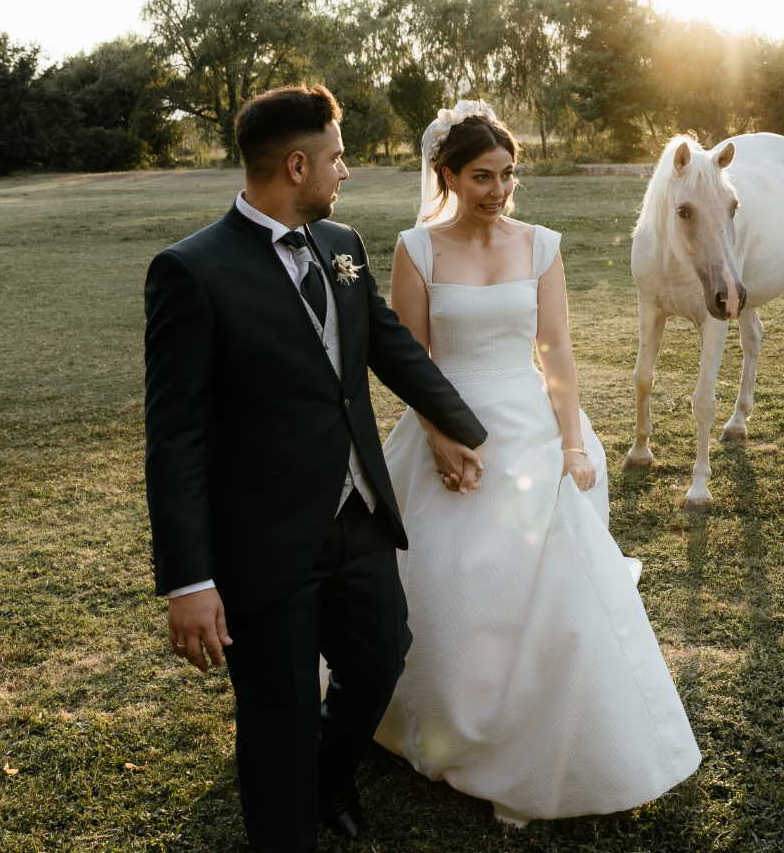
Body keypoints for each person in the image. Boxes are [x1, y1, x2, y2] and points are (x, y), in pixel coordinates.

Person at [143, 85, 487, 852]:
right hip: (264, 541)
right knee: (281, 714)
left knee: (379, 660)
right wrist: (189, 580)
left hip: (357, 515)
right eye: (337, 157)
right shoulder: (192, 272)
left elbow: (389, 345)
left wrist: (466, 428)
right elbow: (173, 439)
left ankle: (331, 776)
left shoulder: (342, 245)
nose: (346, 171)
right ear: (297, 165)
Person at [373, 102, 702, 826]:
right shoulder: (416, 250)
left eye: (507, 174)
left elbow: (554, 352)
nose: (498, 189)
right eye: (482, 176)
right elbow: (411, 359)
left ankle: (550, 734)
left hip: (528, 429)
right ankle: (452, 726)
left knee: (551, 585)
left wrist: (572, 443)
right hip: (447, 426)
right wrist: (437, 437)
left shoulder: (540, 245)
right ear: (448, 176)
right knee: (450, 581)